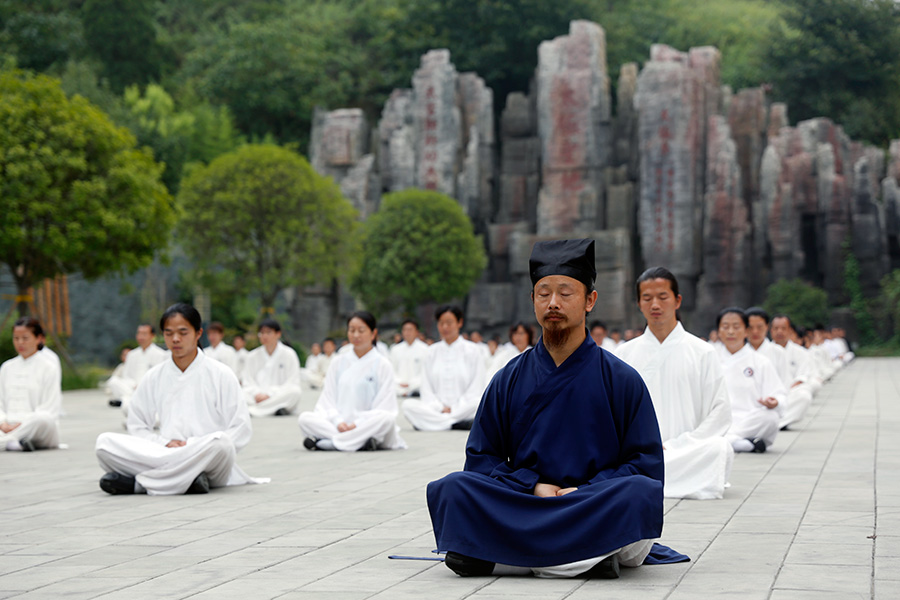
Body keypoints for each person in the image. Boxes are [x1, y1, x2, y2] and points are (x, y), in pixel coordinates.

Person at [428, 238, 664, 579]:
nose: (553, 302)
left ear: (590, 301)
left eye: (566, 293)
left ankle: (504, 555)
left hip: (591, 501)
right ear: (533, 301)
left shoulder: (622, 379)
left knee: (638, 493)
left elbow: (645, 465)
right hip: (528, 502)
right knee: (452, 488)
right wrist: (532, 486)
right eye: (544, 293)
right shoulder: (507, 379)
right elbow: (481, 461)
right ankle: (588, 556)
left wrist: (585, 490)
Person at [95, 303, 267, 495]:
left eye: (183, 332)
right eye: (169, 333)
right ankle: (188, 480)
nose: (175, 339)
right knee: (104, 443)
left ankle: (140, 484)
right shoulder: (154, 376)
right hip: (165, 451)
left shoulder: (221, 374)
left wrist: (191, 446)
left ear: (198, 333)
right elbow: (137, 426)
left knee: (222, 443)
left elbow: (241, 428)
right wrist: (163, 443)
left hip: (205, 456)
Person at [616, 267, 733, 500]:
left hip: (686, 450)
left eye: (662, 297)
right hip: (641, 452)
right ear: (639, 303)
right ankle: (653, 477)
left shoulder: (702, 352)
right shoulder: (623, 354)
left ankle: (640, 481)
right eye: (647, 298)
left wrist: (678, 445)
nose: (655, 305)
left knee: (719, 449)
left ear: (677, 300)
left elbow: (721, 412)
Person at [298, 312, 406, 451]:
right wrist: (338, 422)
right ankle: (359, 442)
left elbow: (385, 407)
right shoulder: (338, 362)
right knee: (305, 419)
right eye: (352, 330)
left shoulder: (382, 364)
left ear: (373, 333)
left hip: (366, 424)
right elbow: (327, 399)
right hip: (340, 425)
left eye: (361, 330)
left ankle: (329, 443)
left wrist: (357, 423)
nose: (356, 335)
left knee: (386, 420)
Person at [401, 305, 486, 431]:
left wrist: (456, 408)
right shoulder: (431, 352)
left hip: (465, 409)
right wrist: (440, 408)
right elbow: (426, 388)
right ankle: (455, 424)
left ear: (459, 323)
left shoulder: (473, 351)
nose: (445, 327)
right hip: (437, 410)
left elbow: (476, 387)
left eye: (449, 323)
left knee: (479, 403)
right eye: (441, 323)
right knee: (407, 405)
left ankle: (432, 423)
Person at [715, 308, 786, 453]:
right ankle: (738, 443)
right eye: (725, 327)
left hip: (749, 419)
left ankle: (726, 441)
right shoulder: (709, 358)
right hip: (717, 419)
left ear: (746, 331)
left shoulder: (760, 362)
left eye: (736, 327)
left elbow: (779, 393)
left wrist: (775, 401)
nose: (730, 332)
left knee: (770, 418)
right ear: (718, 331)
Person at [1, 317, 62, 451]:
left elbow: (50, 408)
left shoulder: (48, 367)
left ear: (39, 338)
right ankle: (16, 442)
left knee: (43, 418)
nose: (20, 343)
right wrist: (2, 422)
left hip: (37, 427)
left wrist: (21, 424)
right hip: (6, 426)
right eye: (16, 338)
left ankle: (8, 442)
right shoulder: (6, 367)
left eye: (25, 338)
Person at [746, 308, 812, 430]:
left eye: (759, 327)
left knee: (803, 396)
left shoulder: (778, 352)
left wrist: (775, 400)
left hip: (771, 402)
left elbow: (784, 384)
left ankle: (775, 424)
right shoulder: (740, 352)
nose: (755, 331)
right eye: (750, 327)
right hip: (745, 402)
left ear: (766, 327)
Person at [241, 319, 302, 417]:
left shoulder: (289, 354)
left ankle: (253, 410)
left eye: (268, 332)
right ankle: (275, 409)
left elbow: (292, 381)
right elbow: (247, 381)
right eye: (261, 333)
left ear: (278, 334)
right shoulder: (252, 355)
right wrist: (257, 393)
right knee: (241, 393)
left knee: (295, 392)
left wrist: (270, 394)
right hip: (256, 396)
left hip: (278, 394)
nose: (264, 336)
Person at [106, 324, 168, 411]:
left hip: (149, 390)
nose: (141, 336)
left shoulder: (160, 354)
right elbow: (126, 376)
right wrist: (134, 385)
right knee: (113, 381)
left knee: (128, 401)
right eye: (139, 333)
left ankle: (128, 401)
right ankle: (133, 400)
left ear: (152, 336)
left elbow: (160, 377)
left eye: (144, 334)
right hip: (132, 388)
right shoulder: (132, 355)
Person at [389, 319, 428, 397]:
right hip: (398, 389)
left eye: (410, 330)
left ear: (417, 332)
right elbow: (391, 370)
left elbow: (426, 372)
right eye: (405, 330)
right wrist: (399, 382)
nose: (407, 333)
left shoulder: (425, 349)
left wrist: (411, 384)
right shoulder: (395, 349)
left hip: (418, 390)